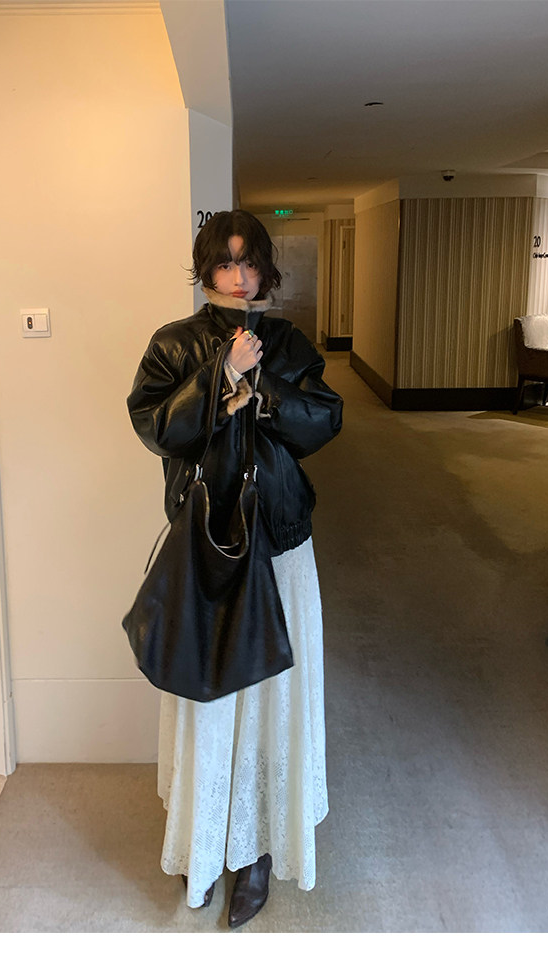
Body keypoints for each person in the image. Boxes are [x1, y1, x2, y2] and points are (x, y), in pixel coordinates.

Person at [126, 210, 343, 928]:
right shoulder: (173, 343)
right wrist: (219, 375)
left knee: (274, 693)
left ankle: (257, 850)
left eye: (250, 262)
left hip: (278, 538)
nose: (238, 276)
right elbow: (158, 427)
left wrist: (264, 390)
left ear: (266, 269)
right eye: (224, 261)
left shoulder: (288, 341)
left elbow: (324, 421)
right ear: (205, 267)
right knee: (211, 693)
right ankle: (207, 834)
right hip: (208, 543)